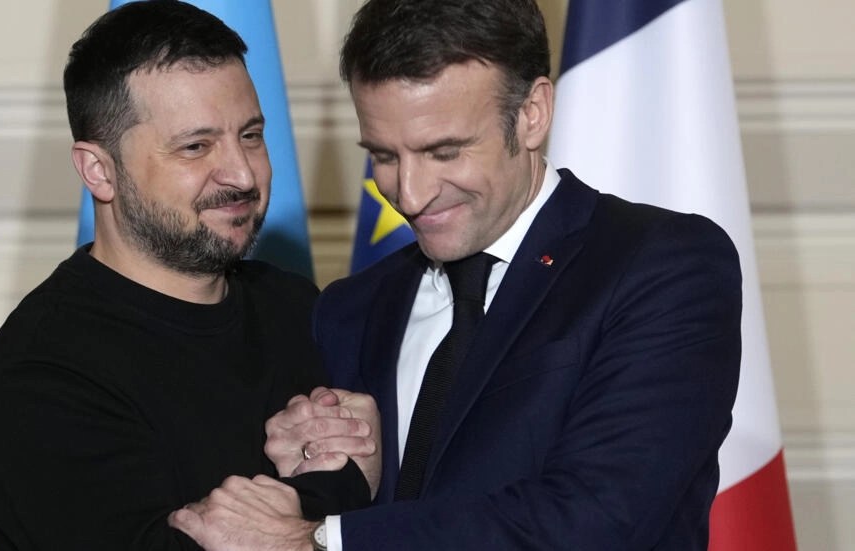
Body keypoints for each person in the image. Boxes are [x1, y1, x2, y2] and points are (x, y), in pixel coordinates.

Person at [168, 0, 743, 549]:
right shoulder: (350, 309)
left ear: (532, 114)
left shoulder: (661, 265)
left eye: (444, 152)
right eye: (384, 156)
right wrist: (312, 468)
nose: (410, 194)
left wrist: (318, 540)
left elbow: (598, 518)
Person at [0, 1, 377, 549]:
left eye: (251, 135)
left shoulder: (294, 305)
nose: (242, 174)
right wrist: (344, 484)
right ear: (99, 170)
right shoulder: (42, 375)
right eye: (195, 146)